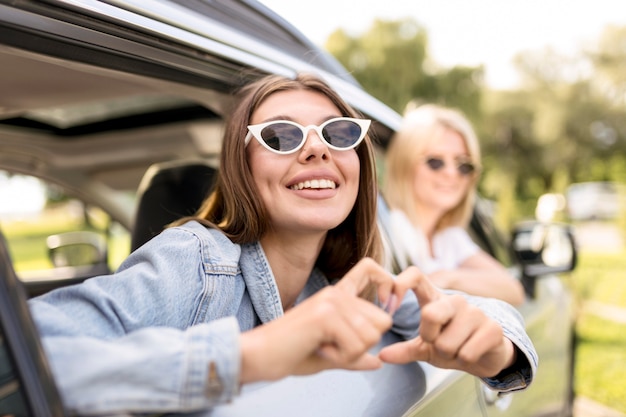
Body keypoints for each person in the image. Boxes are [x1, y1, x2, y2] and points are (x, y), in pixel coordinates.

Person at [29, 74, 535, 415]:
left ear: (358, 164)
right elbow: (24, 353)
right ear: (242, 168)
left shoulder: (350, 280)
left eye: (338, 134)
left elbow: (463, 314)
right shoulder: (197, 260)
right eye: (280, 136)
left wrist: (496, 347)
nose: (316, 147)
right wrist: (252, 355)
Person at [383, 104, 526, 306]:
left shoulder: (448, 238)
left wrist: (449, 278)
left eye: (463, 165)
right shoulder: (388, 228)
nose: (451, 173)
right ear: (404, 164)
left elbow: (513, 290)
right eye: (435, 162)